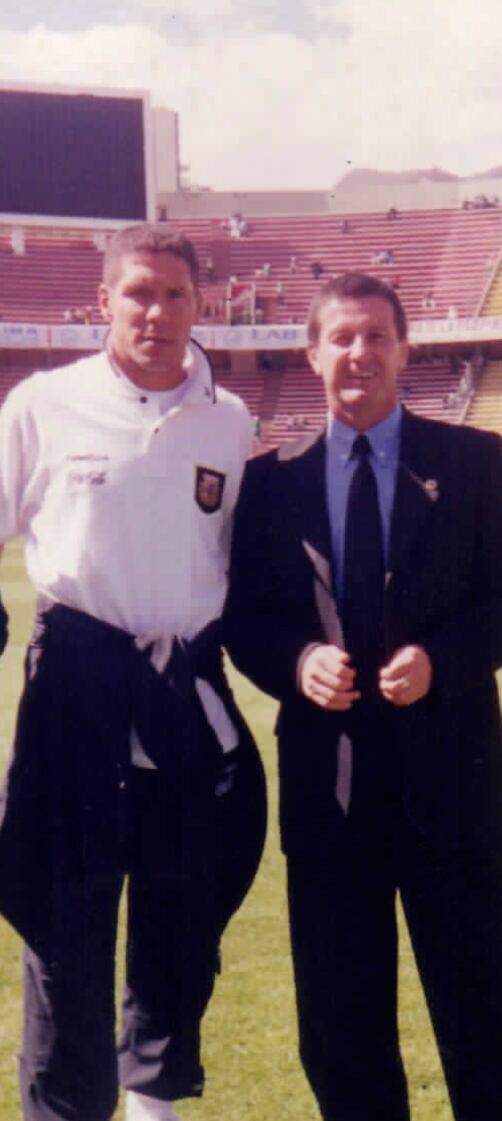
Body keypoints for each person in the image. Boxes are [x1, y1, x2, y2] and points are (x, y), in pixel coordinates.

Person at [223, 273, 502, 1121]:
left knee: (486, 1011)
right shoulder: (269, 482)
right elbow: (244, 620)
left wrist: (439, 660)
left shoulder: (472, 460)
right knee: (341, 1025)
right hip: (329, 789)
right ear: (312, 354)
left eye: (377, 335)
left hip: (453, 781)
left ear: (405, 349)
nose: (360, 353)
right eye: (341, 337)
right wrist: (298, 660)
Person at [0, 225, 267, 1121]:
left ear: (200, 304)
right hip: (73, 691)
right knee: (61, 926)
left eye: (174, 294)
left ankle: (156, 1110)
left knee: (178, 921)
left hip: (182, 691)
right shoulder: (43, 404)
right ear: (104, 302)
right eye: (138, 293)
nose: (156, 312)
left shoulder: (229, 422)